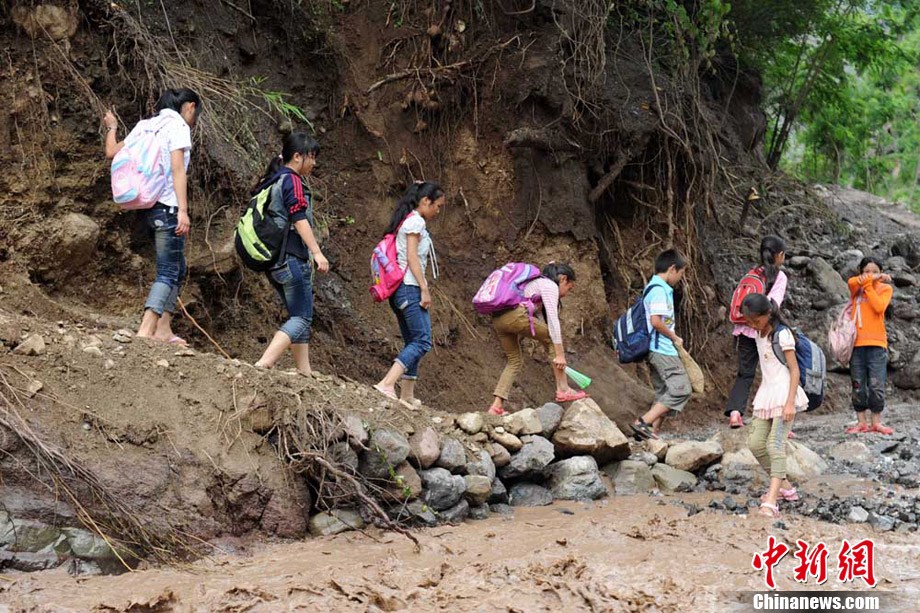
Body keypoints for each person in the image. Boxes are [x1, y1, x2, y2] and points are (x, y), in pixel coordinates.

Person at [103, 88, 202, 346]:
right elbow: (178, 170)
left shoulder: (145, 125)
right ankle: (146, 330)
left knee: (178, 269)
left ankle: (163, 329)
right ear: (190, 107)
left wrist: (112, 127)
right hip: (169, 207)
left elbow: (112, 152)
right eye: (195, 112)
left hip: (150, 207)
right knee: (169, 271)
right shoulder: (178, 126)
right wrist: (182, 210)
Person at [252, 133, 329, 375]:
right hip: (291, 258)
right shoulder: (291, 180)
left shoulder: (273, 180)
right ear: (297, 156)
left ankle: (304, 371)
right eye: (311, 157)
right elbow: (298, 217)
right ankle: (264, 364)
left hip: (275, 262)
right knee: (303, 318)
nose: (314, 163)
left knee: (299, 315)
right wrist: (317, 252)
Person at [373, 182, 444, 405]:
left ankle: (407, 395)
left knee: (413, 340)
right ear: (426, 201)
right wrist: (424, 288)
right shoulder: (416, 222)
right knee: (422, 341)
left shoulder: (409, 220)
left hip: (401, 290)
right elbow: (412, 258)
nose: (438, 211)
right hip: (409, 288)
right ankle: (386, 383)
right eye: (437, 206)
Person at [486, 263, 587, 417]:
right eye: (569, 288)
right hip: (515, 317)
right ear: (563, 279)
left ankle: (496, 407)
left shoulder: (535, 285)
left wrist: (552, 351)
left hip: (499, 319)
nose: (567, 293)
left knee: (514, 361)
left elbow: (540, 323)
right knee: (553, 340)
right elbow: (553, 323)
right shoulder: (549, 286)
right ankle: (563, 389)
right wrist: (559, 355)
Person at [740, 293, 808, 518]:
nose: (752, 325)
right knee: (755, 443)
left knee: (775, 445)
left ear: (767, 314)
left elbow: (794, 370)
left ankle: (771, 500)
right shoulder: (759, 334)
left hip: (785, 394)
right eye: (748, 322)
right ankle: (786, 488)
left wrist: (790, 404)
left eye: (755, 321)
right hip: (766, 394)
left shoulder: (783, 334)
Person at [726, 236, 788, 429]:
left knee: (745, 373)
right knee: (774, 374)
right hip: (764, 330)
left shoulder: (751, 273)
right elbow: (773, 306)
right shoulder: (779, 276)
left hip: (744, 329)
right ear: (780, 256)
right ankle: (775, 419)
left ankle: (735, 414)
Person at [630, 249, 691, 440]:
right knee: (681, 388)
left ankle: (651, 434)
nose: (681, 278)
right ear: (672, 269)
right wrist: (674, 337)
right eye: (681, 273)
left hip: (654, 348)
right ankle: (642, 423)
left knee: (663, 392)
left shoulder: (653, 287)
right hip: (662, 348)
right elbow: (656, 321)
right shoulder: (658, 289)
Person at [845, 257, 894, 435]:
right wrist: (873, 279)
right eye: (866, 271)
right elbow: (851, 281)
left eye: (874, 271)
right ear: (860, 272)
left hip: (877, 344)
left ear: (879, 272)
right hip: (856, 344)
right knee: (858, 383)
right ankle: (861, 423)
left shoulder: (885, 288)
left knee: (876, 384)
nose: (869, 274)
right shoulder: (854, 287)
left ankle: (876, 422)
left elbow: (879, 307)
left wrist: (869, 285)